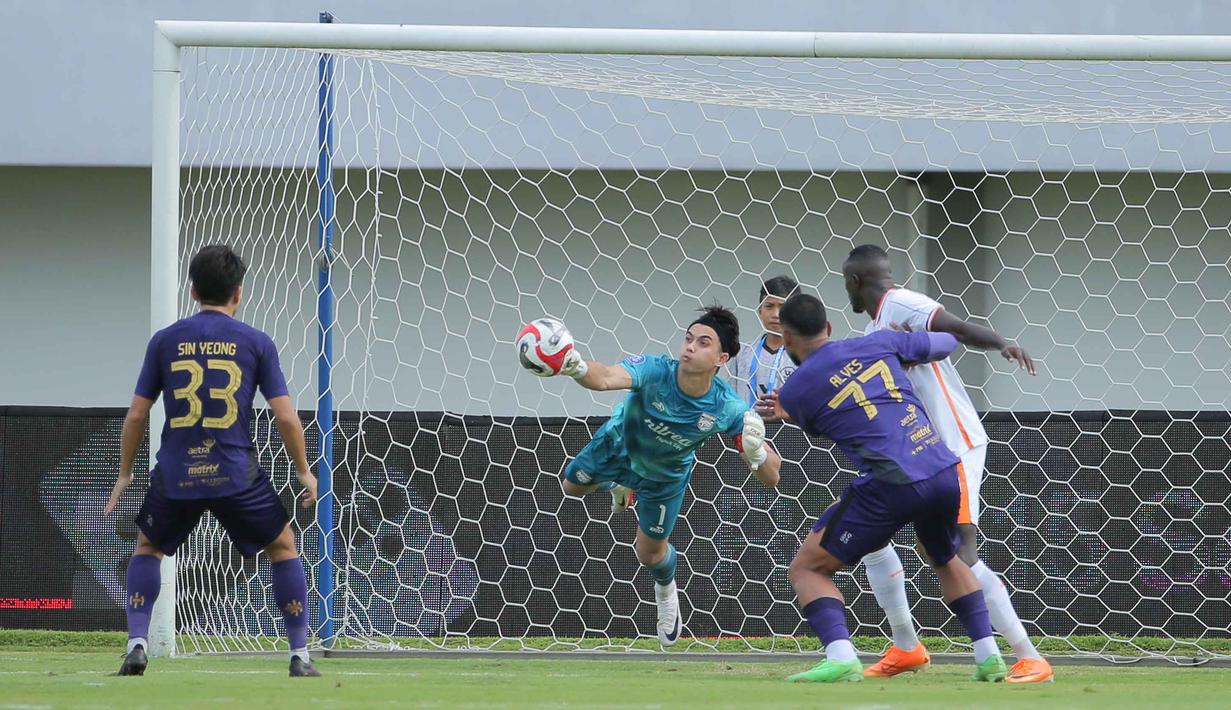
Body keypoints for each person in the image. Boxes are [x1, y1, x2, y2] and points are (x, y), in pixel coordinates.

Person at [104, 245, 321, 677]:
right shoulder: (257, 342)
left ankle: (137, 644)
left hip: (176, 473)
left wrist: (126, 472)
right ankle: (299, 655)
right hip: (235, 473)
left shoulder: (165, 341)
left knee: (148, 547)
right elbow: (285, 416)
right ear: (238, 293)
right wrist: (302, 471)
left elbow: (136, 413)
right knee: (283, 547)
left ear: (192, 290)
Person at [768, 293, 1006, 683]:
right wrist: (906, 344)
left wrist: (788, 411)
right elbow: (947, 342)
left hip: (891, 484)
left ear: (787, 337)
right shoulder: (878, 343)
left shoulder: (795, 391)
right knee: (945, 556)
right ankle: (989, 655)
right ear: (828, 328)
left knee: (808, 568)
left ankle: (842, 656)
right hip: (942, 468)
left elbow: (824, 419)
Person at [841, 244, 1051, 683]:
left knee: (960, 552)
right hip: (923, 452)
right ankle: (905, 647)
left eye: (846, 283)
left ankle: (1029, 656)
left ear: (856, 282)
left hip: (952, 444)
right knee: (900, 541)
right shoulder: (877, 327)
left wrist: (1001, 344)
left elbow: (952, 328)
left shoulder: (902, 303)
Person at [551, 305, 781, 646]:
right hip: (618, 446)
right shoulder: (656, 370)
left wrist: (756, 451)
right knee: (571, 486)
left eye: (704, 342)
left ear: (722, 358)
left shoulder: (727, 407)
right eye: (688, 339)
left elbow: (773, 477)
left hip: (666, 477)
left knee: (648, 554)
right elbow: (605, 377)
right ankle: (619, 485)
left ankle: (666, 590)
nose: (690, 346)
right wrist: (576, 366)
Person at [728, 275, 800, 406]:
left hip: (790, 426)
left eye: (783, 307)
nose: (776, 314)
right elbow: (731, 399)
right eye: (769, 306)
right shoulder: (743, 353)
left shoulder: (805, 356)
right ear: (759, 310)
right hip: (747, 425)